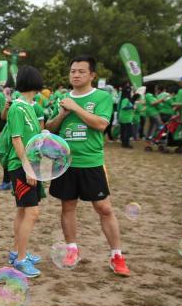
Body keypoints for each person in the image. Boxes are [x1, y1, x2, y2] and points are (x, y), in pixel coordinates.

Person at [45, 55, 131, 277]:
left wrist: (75, 108)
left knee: (104, 208)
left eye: (81, 71)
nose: (75, 74)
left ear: (92, 75)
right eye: (73, 71)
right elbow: (51, 128)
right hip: (66, 163)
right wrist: (63, 113)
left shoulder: (102, 97)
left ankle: (116, 255)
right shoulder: (63, 99)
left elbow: (101, 124)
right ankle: (72, 249)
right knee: (68, 207)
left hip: (91, 162)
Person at [0, 66, 45, 277]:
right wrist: (28, 168)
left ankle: (17, 252)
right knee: (32, 212)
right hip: (22, 167)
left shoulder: (31, 107)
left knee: (23, 210)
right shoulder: (17, 108)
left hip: (30, 165)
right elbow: (16, 139)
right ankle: (21, 260)